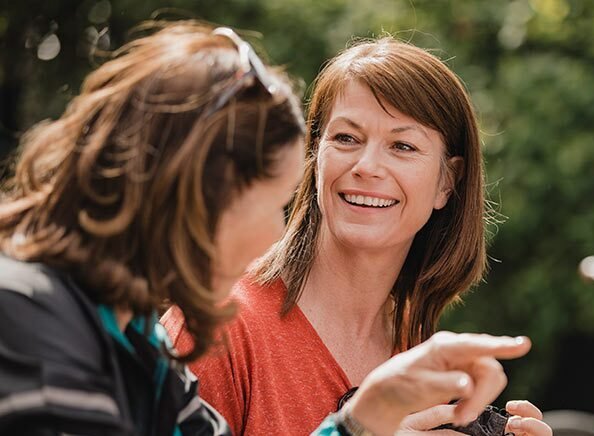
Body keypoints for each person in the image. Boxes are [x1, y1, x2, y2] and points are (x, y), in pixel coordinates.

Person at [0, 22, 531, 436]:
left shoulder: (137, 348)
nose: (270, 238)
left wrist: (371, 415)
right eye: (272, 203)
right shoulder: (31, 325)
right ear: (195, 192)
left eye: (403, 145)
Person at [163, 37, 551, 436]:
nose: (367, 166)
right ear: (314, 157)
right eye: (346, 138)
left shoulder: (421, 354)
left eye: (402, 146)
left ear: (447, 182)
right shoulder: (214, 328)